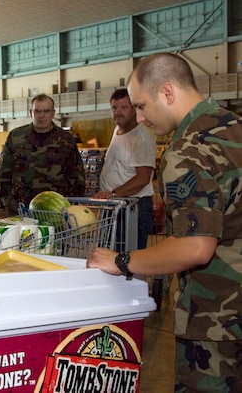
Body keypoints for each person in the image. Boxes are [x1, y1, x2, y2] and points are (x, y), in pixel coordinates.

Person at [87, 53, 242, 392]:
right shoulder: (234, 126)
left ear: (168, 92)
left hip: (215, 320)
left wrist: (121, 261)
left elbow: (195, 247)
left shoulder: (187, 150)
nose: (140, 118)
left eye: (141, 105)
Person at [0, 93, 85, 215]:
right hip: (21, 208)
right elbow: (3, 174)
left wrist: (71, 206)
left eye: (46, 111)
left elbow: (77, 175)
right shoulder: (16, 137)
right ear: (30, 112)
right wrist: (9, 203)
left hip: (57, 209)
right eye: (37, 111)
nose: (41, 115)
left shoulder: (66, 139)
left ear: (53, 113)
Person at [93, 88, 156, 250]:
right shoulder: (118, 130)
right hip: (115, 206)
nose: (118, 113)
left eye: (124, 108)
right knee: (108, 254)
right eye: (114, 108)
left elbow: (143, 178)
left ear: (134, 109)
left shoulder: (141, 137)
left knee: (128, 259)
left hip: (133, 208)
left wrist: (113, 193)